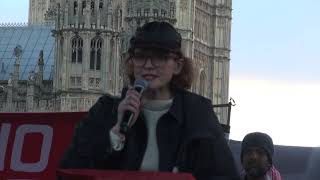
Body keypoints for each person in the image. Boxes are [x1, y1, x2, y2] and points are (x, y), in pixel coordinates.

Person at [59, 21, 239, 180]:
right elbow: (69, 170)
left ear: (177, 65)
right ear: (131, 61)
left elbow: (224, 174)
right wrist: (115, 134)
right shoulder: (106, 111)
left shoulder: (198, 114)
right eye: (140, 56)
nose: (148, 64)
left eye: (160, 57)